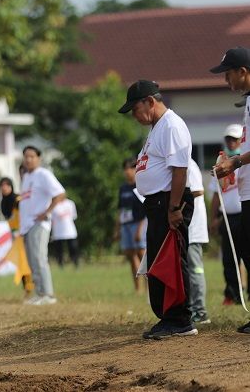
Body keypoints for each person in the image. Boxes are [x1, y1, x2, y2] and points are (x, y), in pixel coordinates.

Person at [118, 79, 196, 340]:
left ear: (150, 101)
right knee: (159, 262)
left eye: (135, 109)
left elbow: (179, 170)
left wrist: (174, 208)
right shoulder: (157, 128)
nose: (135, 116)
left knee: (172, 260)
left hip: (168, 203)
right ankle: (167, 318)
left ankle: (180, 319)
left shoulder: (171, 126)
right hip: (157, 203)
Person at [210, 47, 250, 334]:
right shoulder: (248, 101)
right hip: (246, 191)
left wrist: (234, 162)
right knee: (245, 250)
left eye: (228, 74)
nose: (226, 80)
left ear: (243, 72)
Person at [18, 145, 66, 305]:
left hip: (39, 223)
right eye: (26, 156)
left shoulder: (43, 174)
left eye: (32, 156)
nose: (28, 159)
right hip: (27, 225)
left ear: (39, 158)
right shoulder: (26, 177)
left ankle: (48, 294)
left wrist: (47, 212)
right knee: (32, 260)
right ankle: (39, 293)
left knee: (39, 258)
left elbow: (60, 193)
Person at [208, 124, 247, 306]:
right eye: (228, 139)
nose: (231, 142)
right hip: (227, 217)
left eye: (235, 139)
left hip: (243, 215)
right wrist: (213, 218)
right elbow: (216, 194)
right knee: (229, 259)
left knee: (247, 255)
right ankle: (232, 294)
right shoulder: (222, 164)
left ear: (242, 140)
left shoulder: (243, 163)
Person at [114, 157, 148, 292]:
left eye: (129, 168)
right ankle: (137, 289)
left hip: (139, 224)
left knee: (142, 254)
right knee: (130, 255)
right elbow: (120, 209)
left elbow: (145, 209)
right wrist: (117, 228)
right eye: (125, 169)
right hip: (125, 225)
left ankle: (148, 288)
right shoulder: (123, 188)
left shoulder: (141, 186)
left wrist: (140, 229)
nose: (126, 171)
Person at [0, 176, 34, 296]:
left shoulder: (17, 200)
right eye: (2, 186)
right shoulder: (3, 202)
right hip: (15, 235)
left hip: (24, 233)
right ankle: (27, 288)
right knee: (21, 261)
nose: (4, 188)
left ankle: (33, 286)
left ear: (11, 186)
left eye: (6, 185)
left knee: (27, 261)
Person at [186, 158, 210, 325]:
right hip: (188, 227)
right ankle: (192, 309)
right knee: (189, 270)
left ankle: (200, 311)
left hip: (193, 227)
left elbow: (198, 191)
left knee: (195, 270)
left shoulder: (188, 164)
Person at [49, 198, 80, 268]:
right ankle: (60, 264)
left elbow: (74, 216)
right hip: (58, 231)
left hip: (70, 230)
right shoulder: (53, 204)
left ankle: (75, 263)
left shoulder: (70, 203)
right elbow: (51, 218)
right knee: (59, 249)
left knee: (73, 247)